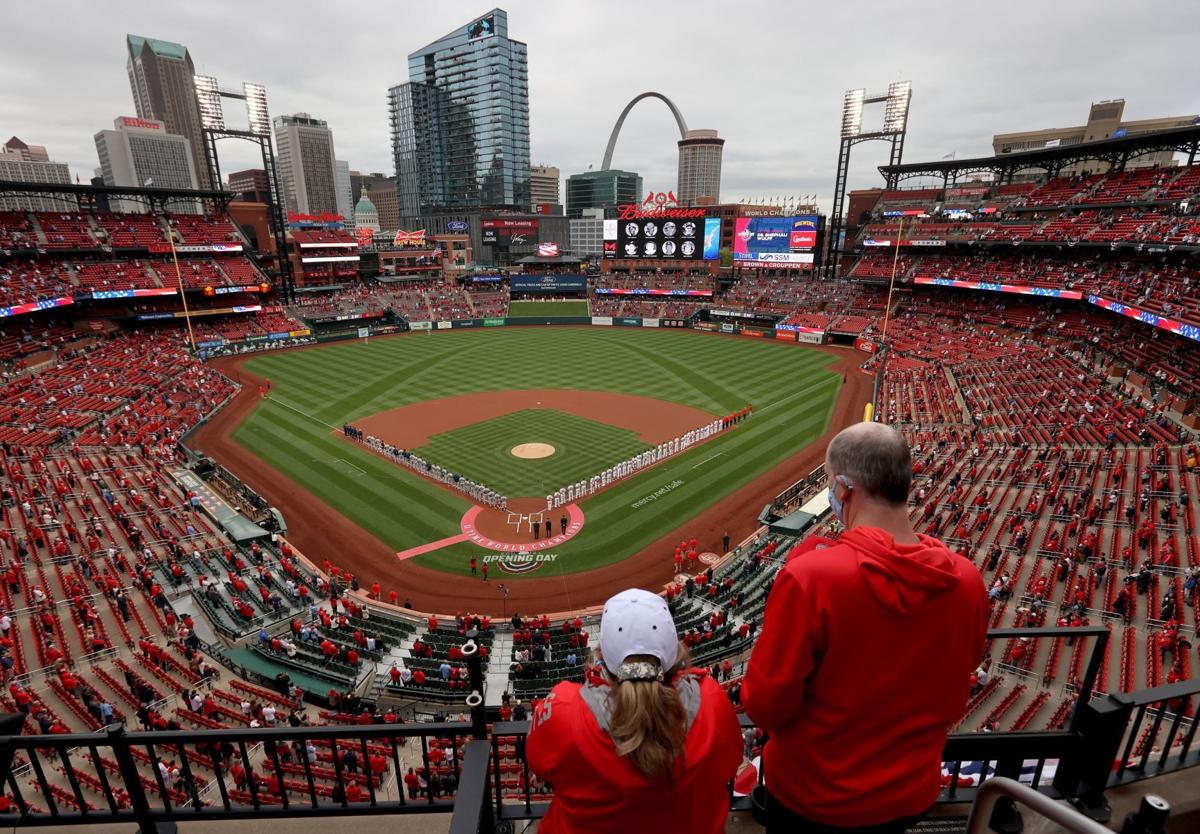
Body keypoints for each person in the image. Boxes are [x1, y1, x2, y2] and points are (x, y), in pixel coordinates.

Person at [743, 423, 988, 833]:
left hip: (814, 797)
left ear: (843, 488)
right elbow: (962, 674)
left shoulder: (812, 577)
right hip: (910, 791)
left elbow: (766, 705)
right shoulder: (967, 580)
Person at [526, 588, 741, 834]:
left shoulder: (565, 709)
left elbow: (537, 760)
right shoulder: (712, 700)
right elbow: (730, 762)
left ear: (602, 654)